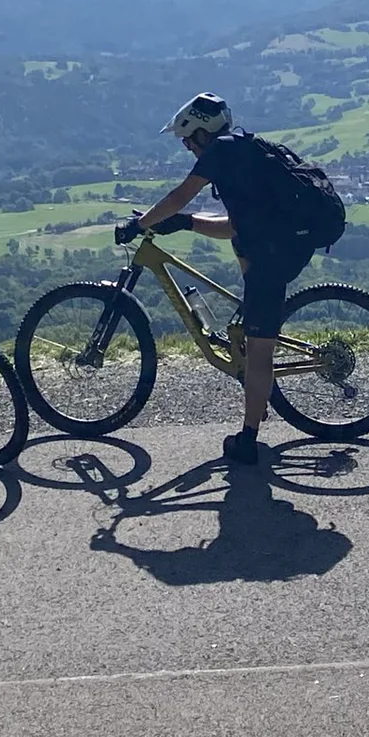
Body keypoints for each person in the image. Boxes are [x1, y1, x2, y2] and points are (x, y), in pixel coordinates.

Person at [116, 93, 318, 467]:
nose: (186, 147)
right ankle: (256, 398)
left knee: (259, 351)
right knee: (253, 337)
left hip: (275, 254)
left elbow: (180, 194)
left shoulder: (221, 153)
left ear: (201, 133)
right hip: (272, 246)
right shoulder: (240, 152)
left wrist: (140, 223)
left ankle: (248, 441)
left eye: (187, 140)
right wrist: (187, 223)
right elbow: (234, 227)